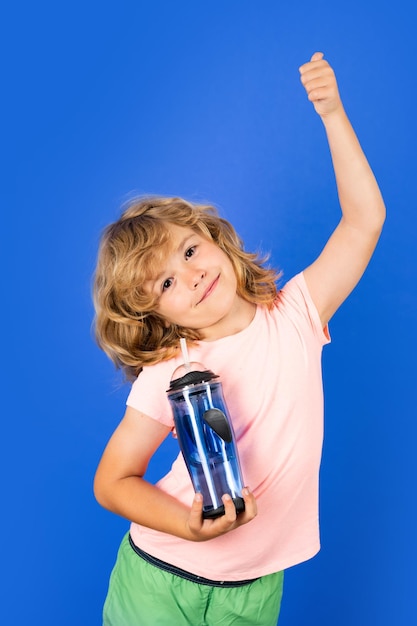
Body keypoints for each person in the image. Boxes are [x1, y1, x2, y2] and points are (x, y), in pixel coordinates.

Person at [93, 52, 385, 626]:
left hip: (254, 588)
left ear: (213, 236)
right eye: (167, 282)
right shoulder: (171, 372)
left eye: (189, 250)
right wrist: (186, 525)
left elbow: (364, 222)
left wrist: (332, 114)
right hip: (161, 578)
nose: (193, 273)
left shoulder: (297, 312)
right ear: (155, 312)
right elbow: (113, 480)